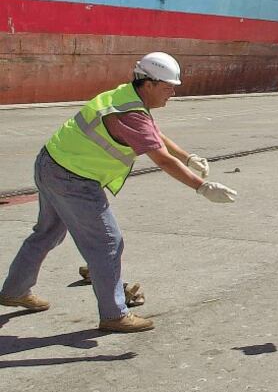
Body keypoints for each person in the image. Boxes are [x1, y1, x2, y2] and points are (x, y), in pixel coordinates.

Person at [0, 52, 237, 333]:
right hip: (73, 178)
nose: (172, 93)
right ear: (147, 83)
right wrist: (202, 187)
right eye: (167, 87)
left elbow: (155, 135)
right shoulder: (131, 113)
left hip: (51, 162)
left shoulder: (126, 96)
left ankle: (15, 290)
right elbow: (161, 159)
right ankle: (114, 314)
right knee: (107, 243)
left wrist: (188, 157)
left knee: (47, 232)